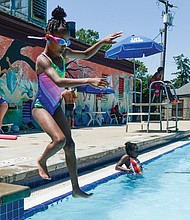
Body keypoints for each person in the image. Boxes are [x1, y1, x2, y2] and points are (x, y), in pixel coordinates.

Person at [31, 5, 122, 198]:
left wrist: (103, 41)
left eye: (67, 40)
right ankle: (41, 160)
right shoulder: (43, 59)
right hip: (40, 107)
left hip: (55, 106)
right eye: (61, 40)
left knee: (70, 145)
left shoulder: (63, 54)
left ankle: (75, 189)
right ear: (48, 38)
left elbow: (87, 54)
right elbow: (58, 81)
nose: (64, 44)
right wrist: (88, 80)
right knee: (60, 140)